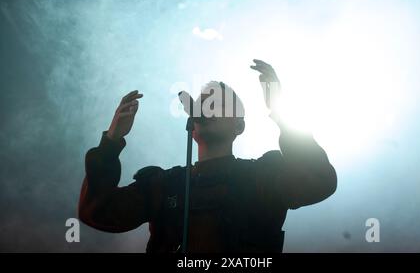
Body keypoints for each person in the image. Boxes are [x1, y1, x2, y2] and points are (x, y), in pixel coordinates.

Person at [78, 59, 337, 253]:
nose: (208, 109)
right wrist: (111, 142)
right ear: (192, 124)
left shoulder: (265, 176)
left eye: (219, 104)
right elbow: (97, 212)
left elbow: (319, 180)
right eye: (202, 104)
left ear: (239, 126)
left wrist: (281, 112)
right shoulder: (165, 184)